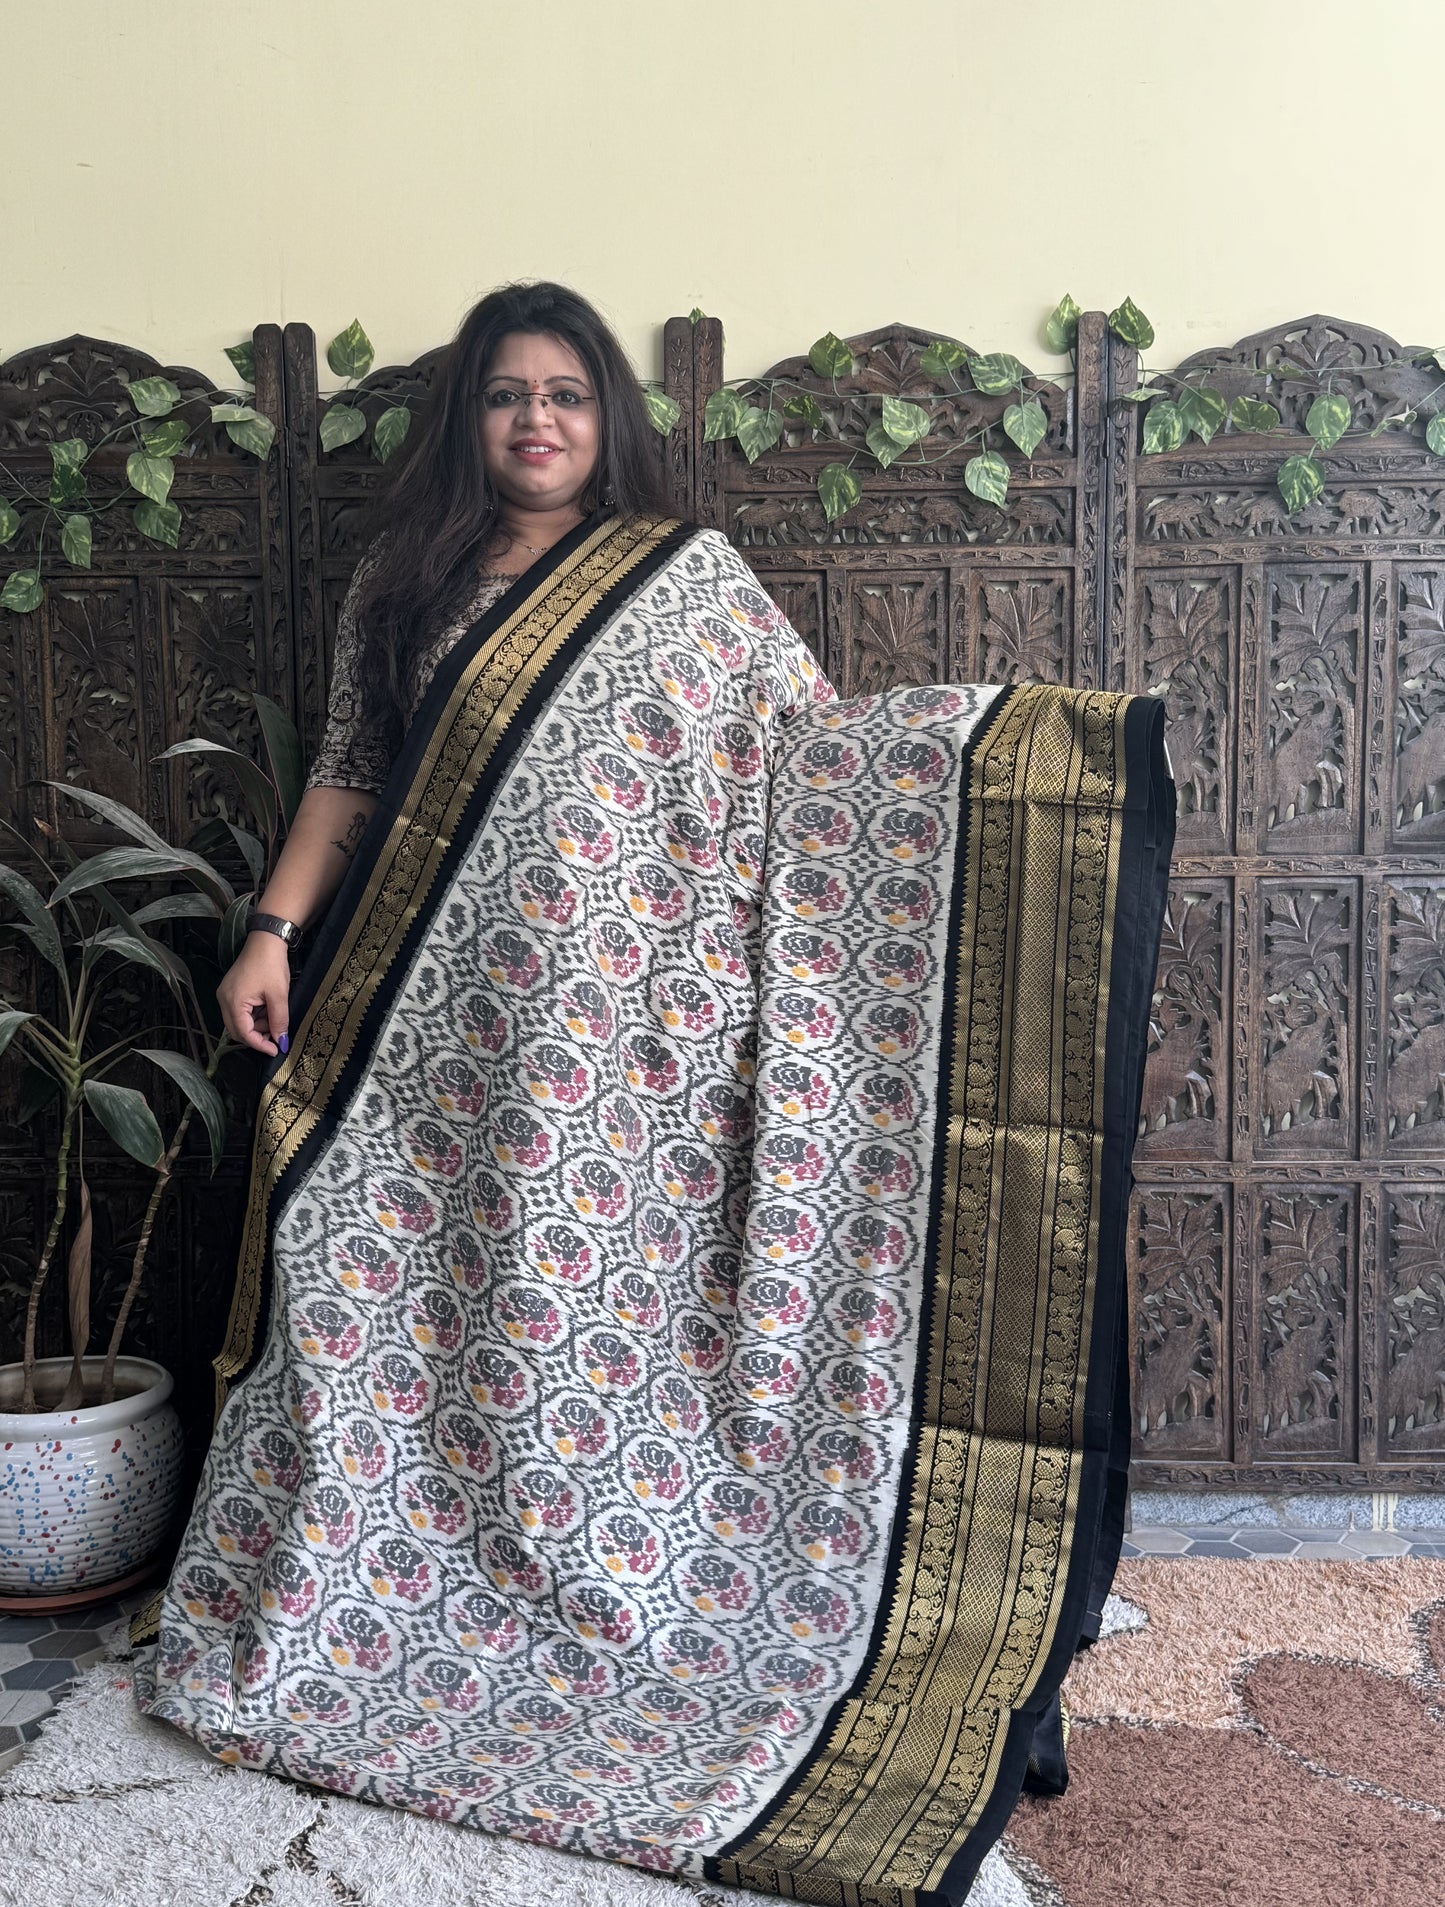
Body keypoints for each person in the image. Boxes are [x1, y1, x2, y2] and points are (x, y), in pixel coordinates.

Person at [130, 281, 1175, 1906]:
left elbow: (812, 762)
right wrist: (272, 930)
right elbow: (348, 766)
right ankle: (370, 1569)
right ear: (465, 422)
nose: (535, 420)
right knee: (353, 1248)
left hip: (630, 1041)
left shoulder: (685, 581)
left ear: (608, 417)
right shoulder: (400, 583)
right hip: (434, 1010)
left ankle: (601, 1566)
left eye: (564, 393)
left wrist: (1010, 759)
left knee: (588, 1291)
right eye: (502, 397)